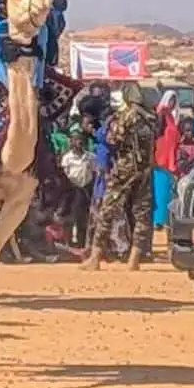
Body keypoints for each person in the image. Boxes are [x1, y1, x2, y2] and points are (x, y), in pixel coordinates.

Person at [81, 82, 156, 271]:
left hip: (124, 168)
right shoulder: (152, 117)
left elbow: (112, 139)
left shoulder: (127, 116)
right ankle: (134, 259)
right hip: (145, 168)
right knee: (142, 213)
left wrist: (105, 125)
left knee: (107, 209)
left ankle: (95, 257)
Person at [60, 127, 95, 249]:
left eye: (80, 140)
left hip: (86, 190)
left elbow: (94, 172)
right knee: (71, 216)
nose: (78, 142)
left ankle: (82, 242)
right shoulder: (67, 158)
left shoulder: (90, 157)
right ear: (71, 142)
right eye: (75, 140)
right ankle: (69, 242)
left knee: (83, 217)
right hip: (72, 190)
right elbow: (64, 173)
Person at [152, 90, 180, 229]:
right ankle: (158, 220)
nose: (172, 103)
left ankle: (165, 220)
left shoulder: (171, 116)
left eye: (174, 101)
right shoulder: (161, 113)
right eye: (170, 100)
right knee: (159, 190)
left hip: (170, 157)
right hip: (161, 158)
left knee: (167, 191)